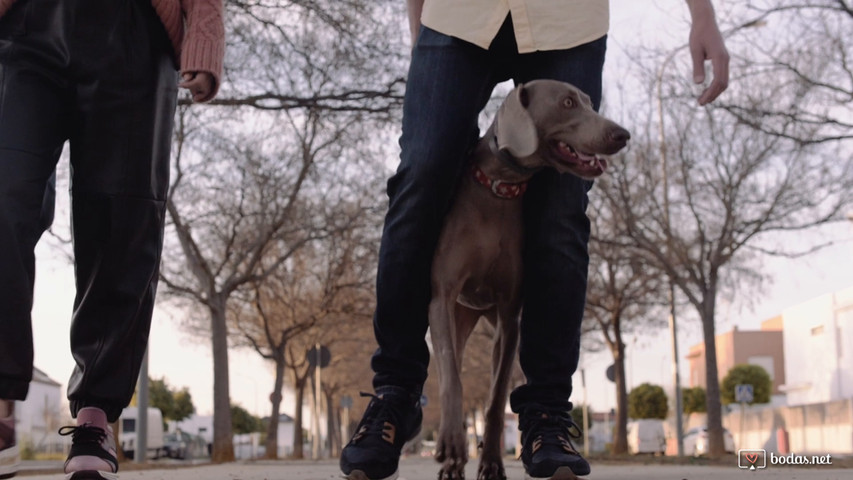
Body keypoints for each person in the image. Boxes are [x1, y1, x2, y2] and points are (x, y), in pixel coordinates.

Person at [340, 1, 728, 479]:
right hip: (457, 14)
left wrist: (703, 16)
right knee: (423, 171)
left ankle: (545, 413)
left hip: (567, 18)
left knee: (561, 211)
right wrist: (420, 25)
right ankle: (395, 394)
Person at [0, 0, 224, 478]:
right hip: (24, 28)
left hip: (135, 33)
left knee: (124, 218)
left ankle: (94, 419)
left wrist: (203, 32)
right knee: (3, 198)